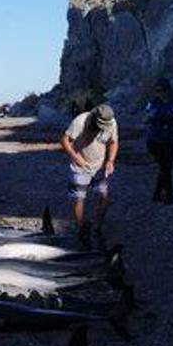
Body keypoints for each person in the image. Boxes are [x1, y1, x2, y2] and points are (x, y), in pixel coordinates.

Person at [60, 102, 118, 248]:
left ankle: (97, 226)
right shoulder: (80, 121)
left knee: (104, 196)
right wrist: (76, 158)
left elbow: (113, 142)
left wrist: (110, 161)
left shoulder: (111, 123)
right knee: (79, 198)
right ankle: (81, 229)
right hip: (80, 167)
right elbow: (64, 140)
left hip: (99, 167)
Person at [144, 79, 173, 204]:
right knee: (165, 167)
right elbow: (145, 118)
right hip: (154, 140)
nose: (160, 93)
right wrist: (154, 117)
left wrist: (170, 120)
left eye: (162, 90)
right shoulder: (152, 104)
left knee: (166, 168)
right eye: (158, 90)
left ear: (168, 91)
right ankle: (169, 195)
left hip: (168, 139)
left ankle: (157, 194)